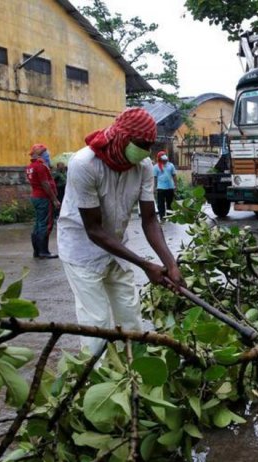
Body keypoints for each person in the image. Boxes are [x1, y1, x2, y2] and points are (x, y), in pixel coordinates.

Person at [57, 108, 184, 354]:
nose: (145, 150)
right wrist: (146, 265)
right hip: (81, 250)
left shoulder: (144, 166)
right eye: (141, 144)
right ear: (122, 136)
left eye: (149, 145)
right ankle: (98, 377)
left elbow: (149, 220)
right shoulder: (84, 164)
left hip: (116, 247)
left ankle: (137, 374)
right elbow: (93, 229)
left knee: (130, 315)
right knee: (97, 323)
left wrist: (170, 264)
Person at [25, 143, 61, 259]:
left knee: (38, 224)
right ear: (41, 154)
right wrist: (54, 199)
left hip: (36, 197)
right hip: (44, 198)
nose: (48, 155)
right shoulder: (40, 166)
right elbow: (45, 184)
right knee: (45, 224)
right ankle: (43, 252)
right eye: (46, 153)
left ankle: (37, 251)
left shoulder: (31, 166)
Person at [153, 150, 177, 220]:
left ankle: (170, 216)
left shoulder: (171, 165)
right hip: (160, 188)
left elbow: (174, 176)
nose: (165, 161)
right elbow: (155, 178)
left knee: (170, 203)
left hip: (170, 187)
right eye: (163, 159)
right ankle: (162, 217)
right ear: (160, 159)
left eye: (166, 159)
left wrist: (175, 186)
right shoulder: (156, 167)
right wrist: (154, 188)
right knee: (161, 204)